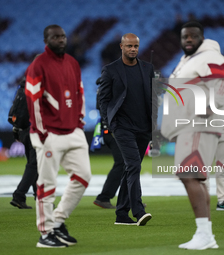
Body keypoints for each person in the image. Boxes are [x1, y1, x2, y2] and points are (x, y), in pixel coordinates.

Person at [161, 21, 224, 250]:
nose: (188, 40)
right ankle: (206, 235)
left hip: (199, 124)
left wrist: (211, 105)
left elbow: (222, 83)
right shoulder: (187, 61)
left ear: (201, 38)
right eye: (184, 37)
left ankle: (204, 234)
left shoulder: (210, 56)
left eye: (192, 36)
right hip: (188, 126)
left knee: (189, 176)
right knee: (196, 178)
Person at [25, 24, 91, 248]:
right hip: (49, 133)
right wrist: (42, 131)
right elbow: (32, 99)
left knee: (83, 176)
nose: (61, 40)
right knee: (46, 184)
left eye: (63, 36)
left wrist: (80, 121)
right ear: (46, 40)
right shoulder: (38, 64)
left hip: (73, 130)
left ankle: (58, 221)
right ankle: (45, 234)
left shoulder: (73, 62)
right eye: (55, 37)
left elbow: (80, 92)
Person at [99, 33, 155, 226]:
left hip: (144, 128)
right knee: (133, 166)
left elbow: (152, 99)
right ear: (121, 46)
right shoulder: (110, 70)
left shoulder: (148, 68)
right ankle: (138, 211)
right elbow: (103, 100)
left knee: (129, 169)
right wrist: (109, 124)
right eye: (129, 46)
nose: (133, 49)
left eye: (136, 46)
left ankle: (121, 214)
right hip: (122, 128)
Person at [94, 77, 124, 209]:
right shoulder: (108, 91)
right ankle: (104, 197)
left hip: (111, 131)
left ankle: (130, 199)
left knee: (127, 164)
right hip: (113, 132)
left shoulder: (103, 90)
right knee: (122, 162)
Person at [9, 77, 38, 209]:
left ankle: (40, 197)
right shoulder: (39, 86)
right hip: (35, 130)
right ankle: (19, 195)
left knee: (34, 164)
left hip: (23, 130)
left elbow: (15, 110)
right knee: (35, 164)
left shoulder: (23, 87)